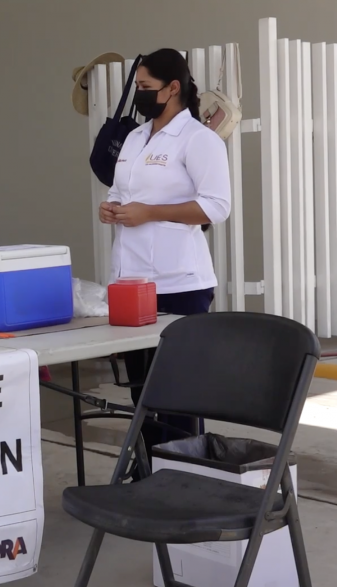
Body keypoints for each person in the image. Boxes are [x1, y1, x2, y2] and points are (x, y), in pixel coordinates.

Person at [99, 49, 231, 466]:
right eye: (137, 86)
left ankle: (186, 475)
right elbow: (124, 190)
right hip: (132, 279)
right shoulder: (136, 137)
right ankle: (149, 475)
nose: (139, 95)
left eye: (146, 88)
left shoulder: (199, 140)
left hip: (180, 284)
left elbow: (216, 207)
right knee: (144, 391)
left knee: (179, 391)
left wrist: (150, 213)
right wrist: (113, 206)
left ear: (174, 88)